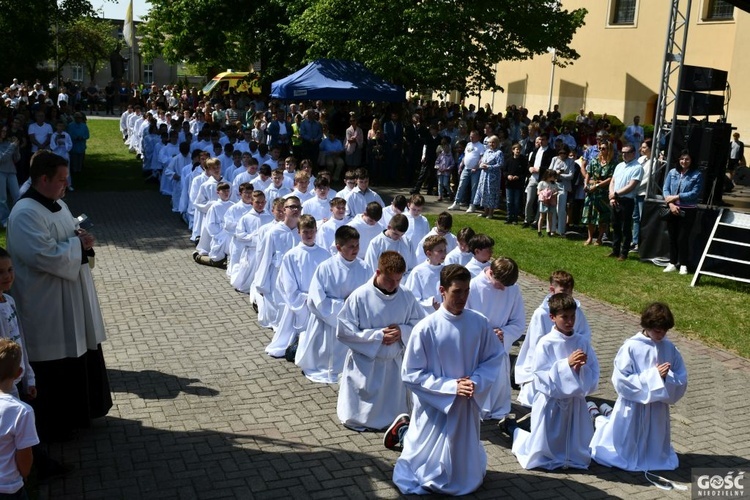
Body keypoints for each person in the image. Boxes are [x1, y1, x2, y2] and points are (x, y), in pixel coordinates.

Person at [6, 150, 112, 441]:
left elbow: (69, 238)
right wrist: (77, 246)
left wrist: (82, 241)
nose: (66, 185)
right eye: (62, 179)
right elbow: (43, 255)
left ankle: (83, 413)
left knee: (78, 350)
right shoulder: (26, 213)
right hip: (46, 303)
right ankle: (57, 425)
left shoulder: (58, 204)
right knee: (55, 361)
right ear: (43, 178)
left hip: (72, 297)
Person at [389, 264, 503, 495]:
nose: (463, 297)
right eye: (456, 291)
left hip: (466, 403)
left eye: (466, 291)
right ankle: (404, 435)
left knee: (462, 458)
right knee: (425, 462)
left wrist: (476, 381)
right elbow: (411, 373)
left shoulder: (479, 322)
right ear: (442, 290)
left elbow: (493, 358)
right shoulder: (426, 328)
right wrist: (451, 387)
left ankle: (461, 473)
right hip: (437, 407)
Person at [589, 302, 687, 472]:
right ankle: (599, 414)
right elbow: (621, 380)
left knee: (654, 441)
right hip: (634, 407)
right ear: (647, 325)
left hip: (657, 407)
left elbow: (681, 378)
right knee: (626, 440)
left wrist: (666, 378)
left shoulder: (669, 348)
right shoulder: (632, 347)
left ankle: (600, 413)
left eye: (665, 330)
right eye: (658, 330)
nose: (662, 334)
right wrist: (654, 377)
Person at [511, 293, 599, 470]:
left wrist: (581, 370)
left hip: (574, 402)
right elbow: (541, 375)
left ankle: (570, 455)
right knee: (547, 442)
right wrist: (567, 365)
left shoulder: (581, 341)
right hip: (552, 402)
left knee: (573, 439)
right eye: (564, 317)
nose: (569, 321)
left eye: (572, 316)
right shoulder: (546, 343)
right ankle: (517, 431)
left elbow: (594, 370)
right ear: (552, 317)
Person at [337, 251, 424, 431]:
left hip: (393, 363)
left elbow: (420, 325)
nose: (394, 286)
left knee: (394, 409)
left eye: (398, 280)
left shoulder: (406, 295)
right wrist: (378, 336)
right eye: (390, 280)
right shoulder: (359, 296)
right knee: (362, 415)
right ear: (378, 273)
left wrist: (403, 331)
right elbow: (344, 331)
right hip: (367, 365)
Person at [295, 226, 372, 384]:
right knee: (326, 361)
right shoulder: (326, 268)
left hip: (354, 322)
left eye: (357, 245)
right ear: (338, 247)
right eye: (351, 246)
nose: (356, 249)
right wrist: (344, 304)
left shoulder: (364, 268)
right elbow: (316, 300)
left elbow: (370, 294)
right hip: (328, 324)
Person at [515, 270, 591, 407]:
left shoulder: (576, 311)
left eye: (570, 291)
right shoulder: (541, 313)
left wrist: (575, 348)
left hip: (572, 359)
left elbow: (584, 334)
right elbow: (536, 344)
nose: (567, 295)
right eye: (563, 291)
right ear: (552, 290)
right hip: (548, 362)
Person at [466, 257, 525, 420]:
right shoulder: (473, 287)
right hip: (477, 344)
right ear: (490, 272)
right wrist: (484, 333)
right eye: (499, 285)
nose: (502, 290)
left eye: (506, 286)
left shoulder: (512, 289)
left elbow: (518, 322)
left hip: (499, 344)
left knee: (498, 383)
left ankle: (497, 409)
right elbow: (463, 317)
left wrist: (504, 333)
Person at [265, 215, 330, 358]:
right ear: (298, 232)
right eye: (305, 231)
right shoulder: (291, 255)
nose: (309, 235)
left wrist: (321, 297)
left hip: (319, 301)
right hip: (300, 302)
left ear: (316, 230)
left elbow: (329, 279)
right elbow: (287, 283)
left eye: (312, 231)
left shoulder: (325, 254)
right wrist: (302, 298)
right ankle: (295, 343)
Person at [255, 196, 302, 332]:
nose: (295, 210)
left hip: (298, 279)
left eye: (298, 207)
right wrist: (261, 284)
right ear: (284, 210)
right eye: (291, 207)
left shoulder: (302, 231)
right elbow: (264, 258)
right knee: (279, 310)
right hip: (278, 278)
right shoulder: (274, 233)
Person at [0, 339, 39, 498]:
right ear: (19, 372)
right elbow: (25, 458)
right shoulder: (21, 411)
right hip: (9, 487)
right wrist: (25, 473)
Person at [662, 150, 704, 275]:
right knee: (672, 237)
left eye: (687, 159)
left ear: (691, 161)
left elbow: (695, 193)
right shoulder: (672, 172)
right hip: (672, 208)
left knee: (683, 238)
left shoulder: (697, 174)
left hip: (688, 210)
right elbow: (665, 189)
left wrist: (676, 197)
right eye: (682, 159)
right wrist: (671, 204)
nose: (684, 162)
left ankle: (683, 264)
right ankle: (672, 263)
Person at [607, 144, 643, 261]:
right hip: (615, 199)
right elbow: (613, 181)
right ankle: (615, 250)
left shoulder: (637, 167)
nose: (624, 154)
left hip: (627, 200)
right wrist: (612, 196)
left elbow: (631, 186)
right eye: (622, 152)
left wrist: (616, 194)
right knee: (615, 226)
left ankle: (624, 253)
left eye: (626, 152)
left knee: (625, 228)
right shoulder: (619, 165)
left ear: (633, 153)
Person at [581, 139, 615, 246]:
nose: (601, 150)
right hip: (592, 192)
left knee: (602, 217)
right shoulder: (594, 161)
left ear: (609, 150)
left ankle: (599, 238)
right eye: (600, 148)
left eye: (603, 148)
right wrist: (586, 184)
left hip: (603, 193)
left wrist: (597, 185)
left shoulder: (612, 164)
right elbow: (588, 174)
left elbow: (611, 178)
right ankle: (590, 238)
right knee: (590, 215)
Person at [403, 235, 447, 315]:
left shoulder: (446, 270)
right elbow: (412, 298)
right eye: (440, 251)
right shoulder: (418, 272)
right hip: (425, 315)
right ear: (429, 253)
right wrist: (430, 303)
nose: (444, 253)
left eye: (444, 250)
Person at [448, 130, 485, 211]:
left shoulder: (481, 146)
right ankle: (456, 202)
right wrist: (461, 165)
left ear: (478, 137)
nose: (471, 138)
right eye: (470, 136)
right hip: (466, 168)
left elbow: (482, 158)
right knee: (461, 185)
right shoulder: (468, 144)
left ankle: (472, 205)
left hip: (475, 170)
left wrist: (477, 166)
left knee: (474, 187)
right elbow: (465, 155)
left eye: (473, 136)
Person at [471, 135, 504, 219]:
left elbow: (500, 164)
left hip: (493, 177)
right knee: (484, 192)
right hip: (484, 175)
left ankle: (491, 212)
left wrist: (489, 167)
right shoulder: (486, 151)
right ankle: (485, 211)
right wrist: (481, 165)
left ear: (497, 143)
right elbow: (481, 161)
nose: (491, 144)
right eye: (490, 142)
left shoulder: (498, 153)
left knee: (491, 193)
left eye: (493, 142)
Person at [632, 139, 652, 250]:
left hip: (643, 193)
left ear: (650, 148)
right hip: (635, 192)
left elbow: (649, 178)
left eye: (644, 147)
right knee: (635, 217)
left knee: (641, 218)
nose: (641, 149)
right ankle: (635, 241)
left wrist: (635, 186)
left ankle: (642, 242)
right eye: (641, 147)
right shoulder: (640, 159)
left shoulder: (654, 161)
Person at [0, 126, 20, 227]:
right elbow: (2, 158)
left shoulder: (8, 143)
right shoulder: (9, 145)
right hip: (1, 172)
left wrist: (16, 148)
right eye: (2, 131)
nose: (4, 132)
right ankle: (4, 220)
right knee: (2, 198)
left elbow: (16, 158)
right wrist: (12, 146)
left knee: (17, 195)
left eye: (5, 131)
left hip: (11, 171)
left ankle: (18, 217)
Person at [503, 143, 527, 224]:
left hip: (518, 185)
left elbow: (525, 172)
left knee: (516, 202)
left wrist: (518, 177)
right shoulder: (508, 160)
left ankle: (515, 218)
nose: (518, 151)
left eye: (519, 149)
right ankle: (509, 216)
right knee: (509, 201)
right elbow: (504, 171)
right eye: (516, 149)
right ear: (513, 150)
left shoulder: (523, 160)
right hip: (509, 184)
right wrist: (508, 176)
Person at [536, 169, 560, 237]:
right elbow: (538, 192)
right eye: (553, 176)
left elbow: (556, 191)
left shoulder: (554, 184)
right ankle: (539, 231)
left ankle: (549, 231)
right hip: (544, 201)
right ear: (548, 176)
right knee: (542, 216)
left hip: (551, 201)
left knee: (550, 217)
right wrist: (544, 194)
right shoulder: (542, 183)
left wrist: (555, 193)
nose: (554, 178)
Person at [434, 136, 455, 202]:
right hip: (440, 171)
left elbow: (452, 164)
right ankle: (440, 196)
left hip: (446, 172)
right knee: (440, 183)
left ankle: (450, 193)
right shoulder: (441, 155)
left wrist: (447, 168)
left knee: (445, 183)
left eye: (447, 148)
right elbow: (437, 162)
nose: (446, 149)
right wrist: (438, 167)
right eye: (444, 148)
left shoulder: (450, 156)